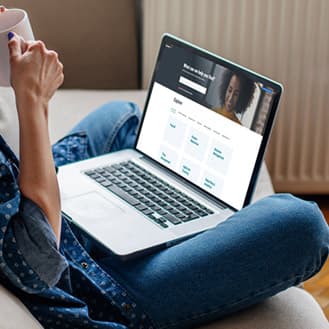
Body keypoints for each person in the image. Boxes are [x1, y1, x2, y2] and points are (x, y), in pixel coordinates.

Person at [0, 9, 328, 329]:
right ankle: (171, 228)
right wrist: (33, 100)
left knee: (121, 117)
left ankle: (164, 209)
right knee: (304, 225)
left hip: (39, 213)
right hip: (90, 283)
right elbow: (40, 266)